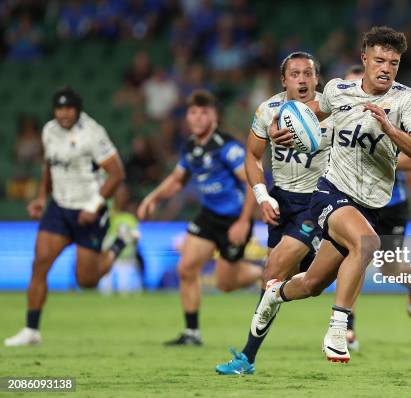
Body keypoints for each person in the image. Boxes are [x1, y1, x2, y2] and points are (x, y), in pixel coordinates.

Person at [251, 26, 411, 363]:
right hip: (331, 191)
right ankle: (339, 329)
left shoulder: (406, 100)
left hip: (373, 204)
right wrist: (289, 132)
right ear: (364, 58)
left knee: (311, 285)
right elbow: (310, 116)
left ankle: (275, 294)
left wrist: (391, 130)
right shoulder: (338, 90)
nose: (386, 69)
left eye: (393, 63)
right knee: (367, 243)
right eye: (379, 60)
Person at [216, 52, 330, 375]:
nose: (302, 79)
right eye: (294, 74)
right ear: (284, 81)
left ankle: (343, 322)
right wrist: (262, 195)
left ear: (316, 78)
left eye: (308, 72)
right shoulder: (268, 111)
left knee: (275, 270)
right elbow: (251, 157)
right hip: (281, 201)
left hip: (318, 201)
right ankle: (248, 359)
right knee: (282, 281)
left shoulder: (331, 110)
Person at [4, 87, 136, 347]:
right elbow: (49, 167)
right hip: (60, 208)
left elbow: (117, 173)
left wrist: (95, 205)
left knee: (86, 281)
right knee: (40, 263)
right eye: (59, 108)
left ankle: (119, 244)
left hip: (89, 209)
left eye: (69, 109)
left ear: (78, 109)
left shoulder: (93, 133)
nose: (64, 114)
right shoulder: (49, 131)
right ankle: (31, 330)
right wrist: (42, 198)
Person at [137, 90, 261, 346]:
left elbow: (252, 182)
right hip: (208, 217)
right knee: (186, 268)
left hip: (233, 219)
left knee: (225, 284)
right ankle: (192, 333)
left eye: (204, 112)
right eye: (193, 112)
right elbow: (177, 180)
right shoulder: (191, 147)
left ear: (214, 117)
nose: (197, 117)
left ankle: (262, 271)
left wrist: (243, 221)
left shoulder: (226, 146)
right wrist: (153, 198)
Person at [341, 64, 411, 352]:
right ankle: (347, 328)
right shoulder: (339, 115)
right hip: (354, 200)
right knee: (356, 256)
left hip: (391, 203)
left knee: (389, 268)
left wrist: (377, 157)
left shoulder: (396, 110)